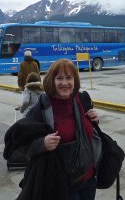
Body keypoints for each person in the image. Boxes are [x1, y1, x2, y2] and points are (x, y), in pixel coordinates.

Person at [15, 59, 101, 200]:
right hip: (62, 183)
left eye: (69, 78)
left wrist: (94, 121)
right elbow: (20, 143)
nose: (65, 83)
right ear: (52, 80)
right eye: (59, 78)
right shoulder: (42, 108)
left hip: (89, 179)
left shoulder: (81, 99)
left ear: (75, 80)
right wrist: (42, 144)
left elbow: (88, 135)